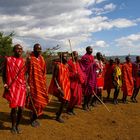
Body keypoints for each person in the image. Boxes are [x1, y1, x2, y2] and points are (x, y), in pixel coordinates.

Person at [2, 44, 26, 134]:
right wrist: (5, 84)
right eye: (17, 49)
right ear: (14, 50)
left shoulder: (23, 62)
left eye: (21, 49)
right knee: (14, 108)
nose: (19, 50)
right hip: (12, 87)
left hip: (21, 87)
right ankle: (13, 126)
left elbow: (25, 74)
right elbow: (3, 74)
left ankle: (17, 126)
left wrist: (27, 85)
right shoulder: (8, 60)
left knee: (21, 109)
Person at [26, 43, 49, 127]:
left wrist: (44, 83)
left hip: (41, 83)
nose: (39, 51)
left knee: (41, 101)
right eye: (37, 49)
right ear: (34, 49)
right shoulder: (30, 59)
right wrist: (27, 84)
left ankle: (35, 118)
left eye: (40, 49)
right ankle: (33, 119)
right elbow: (25, 72)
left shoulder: (42, 59)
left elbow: (44, 72)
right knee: (35, 102)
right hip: (32, 83)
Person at [48, 52, 71, 123]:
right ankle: (58, 117)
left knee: (67, 101)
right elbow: (54, 77)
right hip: (60, 86)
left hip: (66, 85)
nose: (66, 58)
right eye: (64, 57)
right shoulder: (58, 66)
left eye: (67, 56)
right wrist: (59, 88)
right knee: (63, 101)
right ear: (61, 58)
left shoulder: (67, 65)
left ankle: (58, 113)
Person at [80, 46, 95, 110]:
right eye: (90, 49)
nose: (91, 50)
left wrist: (95, 65)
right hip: (87, 76)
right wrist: (92, 65)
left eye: (92, 49)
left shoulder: (92, 57)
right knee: (87, 92)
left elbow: (93, 65)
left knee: (91, 91)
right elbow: (83, 67)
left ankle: (88, 104)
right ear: (87, 50)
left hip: (92, 76)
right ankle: (84, 105)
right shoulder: (84, 57)